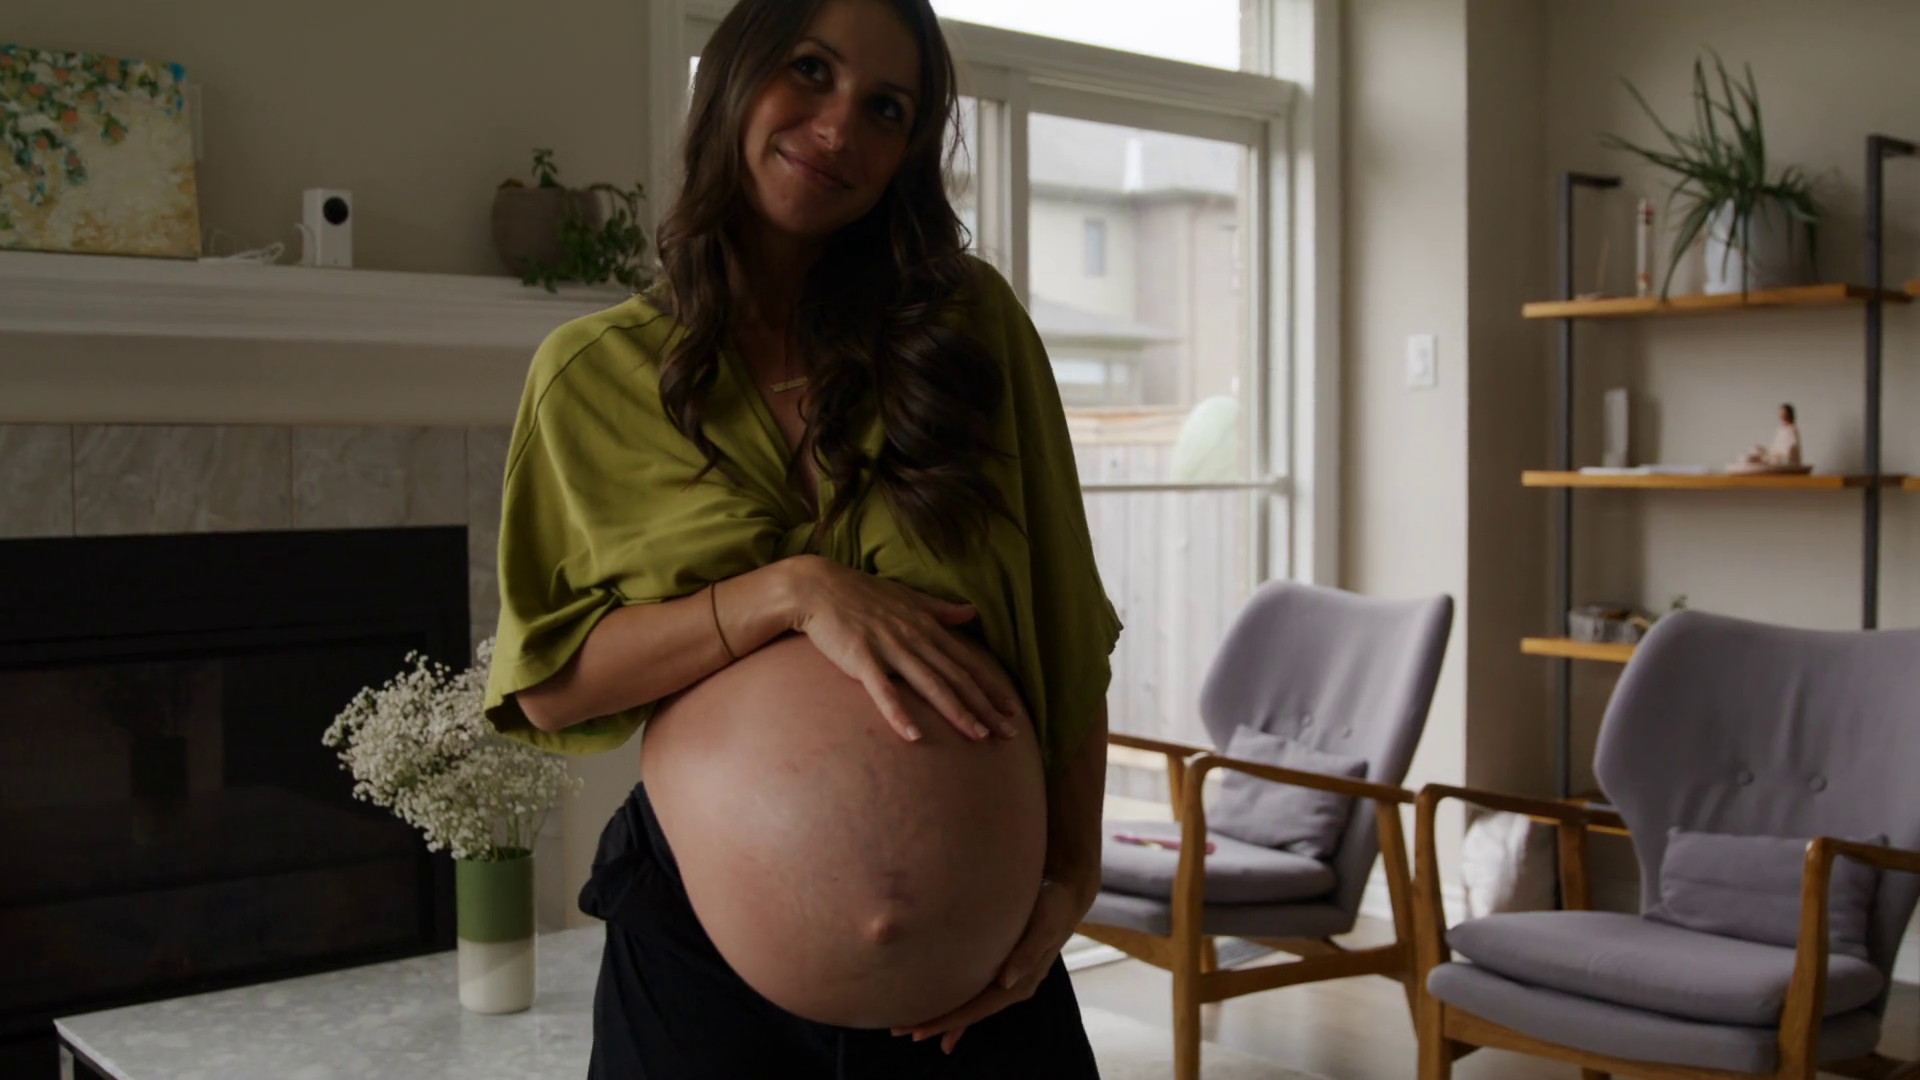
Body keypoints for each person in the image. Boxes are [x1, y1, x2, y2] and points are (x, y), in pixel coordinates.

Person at [478, 0, 1123, 1074]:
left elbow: (1066, 624)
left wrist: (1076, 870)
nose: (838, 127)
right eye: (811, 71)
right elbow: (549, 685)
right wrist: (790, 592)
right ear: (734, 76)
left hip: (980, 980)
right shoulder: (591, 375)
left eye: (886, 108)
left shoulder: (968, 330)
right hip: (697, 959)